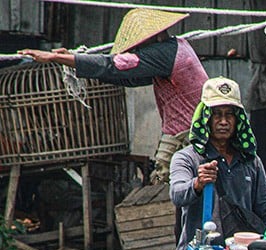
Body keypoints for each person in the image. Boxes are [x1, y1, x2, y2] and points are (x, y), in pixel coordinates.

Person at [19, 8, 209, 185]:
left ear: (157, 36)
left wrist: (56, 58)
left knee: (167, 178)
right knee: (166, 176)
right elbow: (130, 78)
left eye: (141, 44)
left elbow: (112, 65)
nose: (138, 50)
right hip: (183, 127)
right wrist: (72, 59)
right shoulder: (177, 47)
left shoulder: (163, 53)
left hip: (192, 130)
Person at [165, 76, 266, 250]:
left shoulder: (251, 161)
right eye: (216, 114)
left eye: (230, 114)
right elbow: (177, 193)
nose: (223, 121)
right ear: (205, 117)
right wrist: (197, 183)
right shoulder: (186, 158)